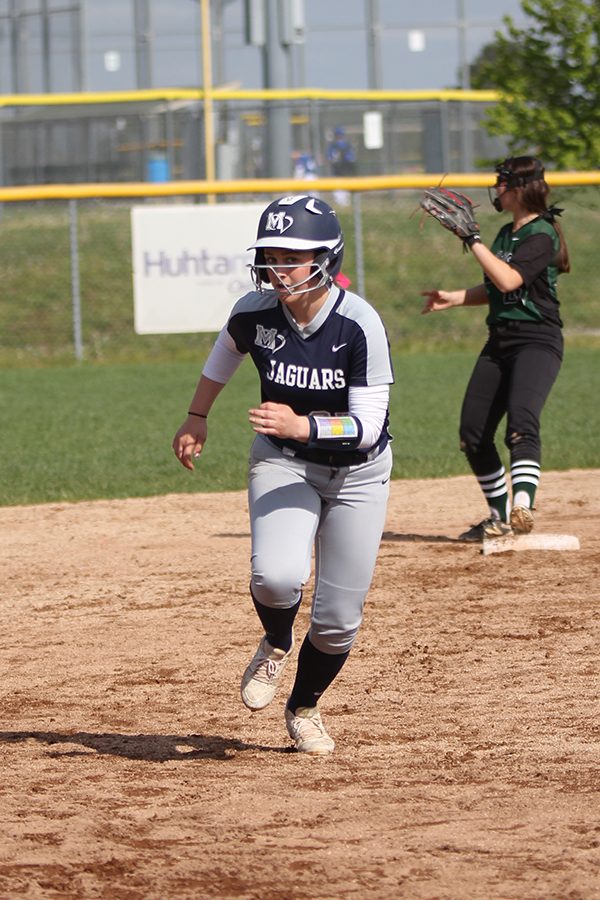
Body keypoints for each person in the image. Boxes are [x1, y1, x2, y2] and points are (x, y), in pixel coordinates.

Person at [172, 194, 394, 755]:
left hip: (360, 475)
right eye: (270, 255)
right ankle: (275, 642)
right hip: (282, 461)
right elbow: (223, 355)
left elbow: (368, 427)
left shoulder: (358, 323)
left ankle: (304, 707)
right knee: (276, 576)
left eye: (291, 257)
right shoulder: (255, 311)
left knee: (339, 618)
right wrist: (197, 415)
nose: (278, 268)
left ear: (326, 257)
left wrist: (303, 426)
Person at [421, 156, 569, 542]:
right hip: (499, 341)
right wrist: (453, 298)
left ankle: (523, 504)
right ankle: (499, 515)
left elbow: (508, 280)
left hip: (537, 340)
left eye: (501, 182)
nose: (496, 188)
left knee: (521, 423)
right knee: (472, 432)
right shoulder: (506, 233)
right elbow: (495, 289)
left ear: (519, 188)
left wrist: (472, 240)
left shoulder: (542, 233)